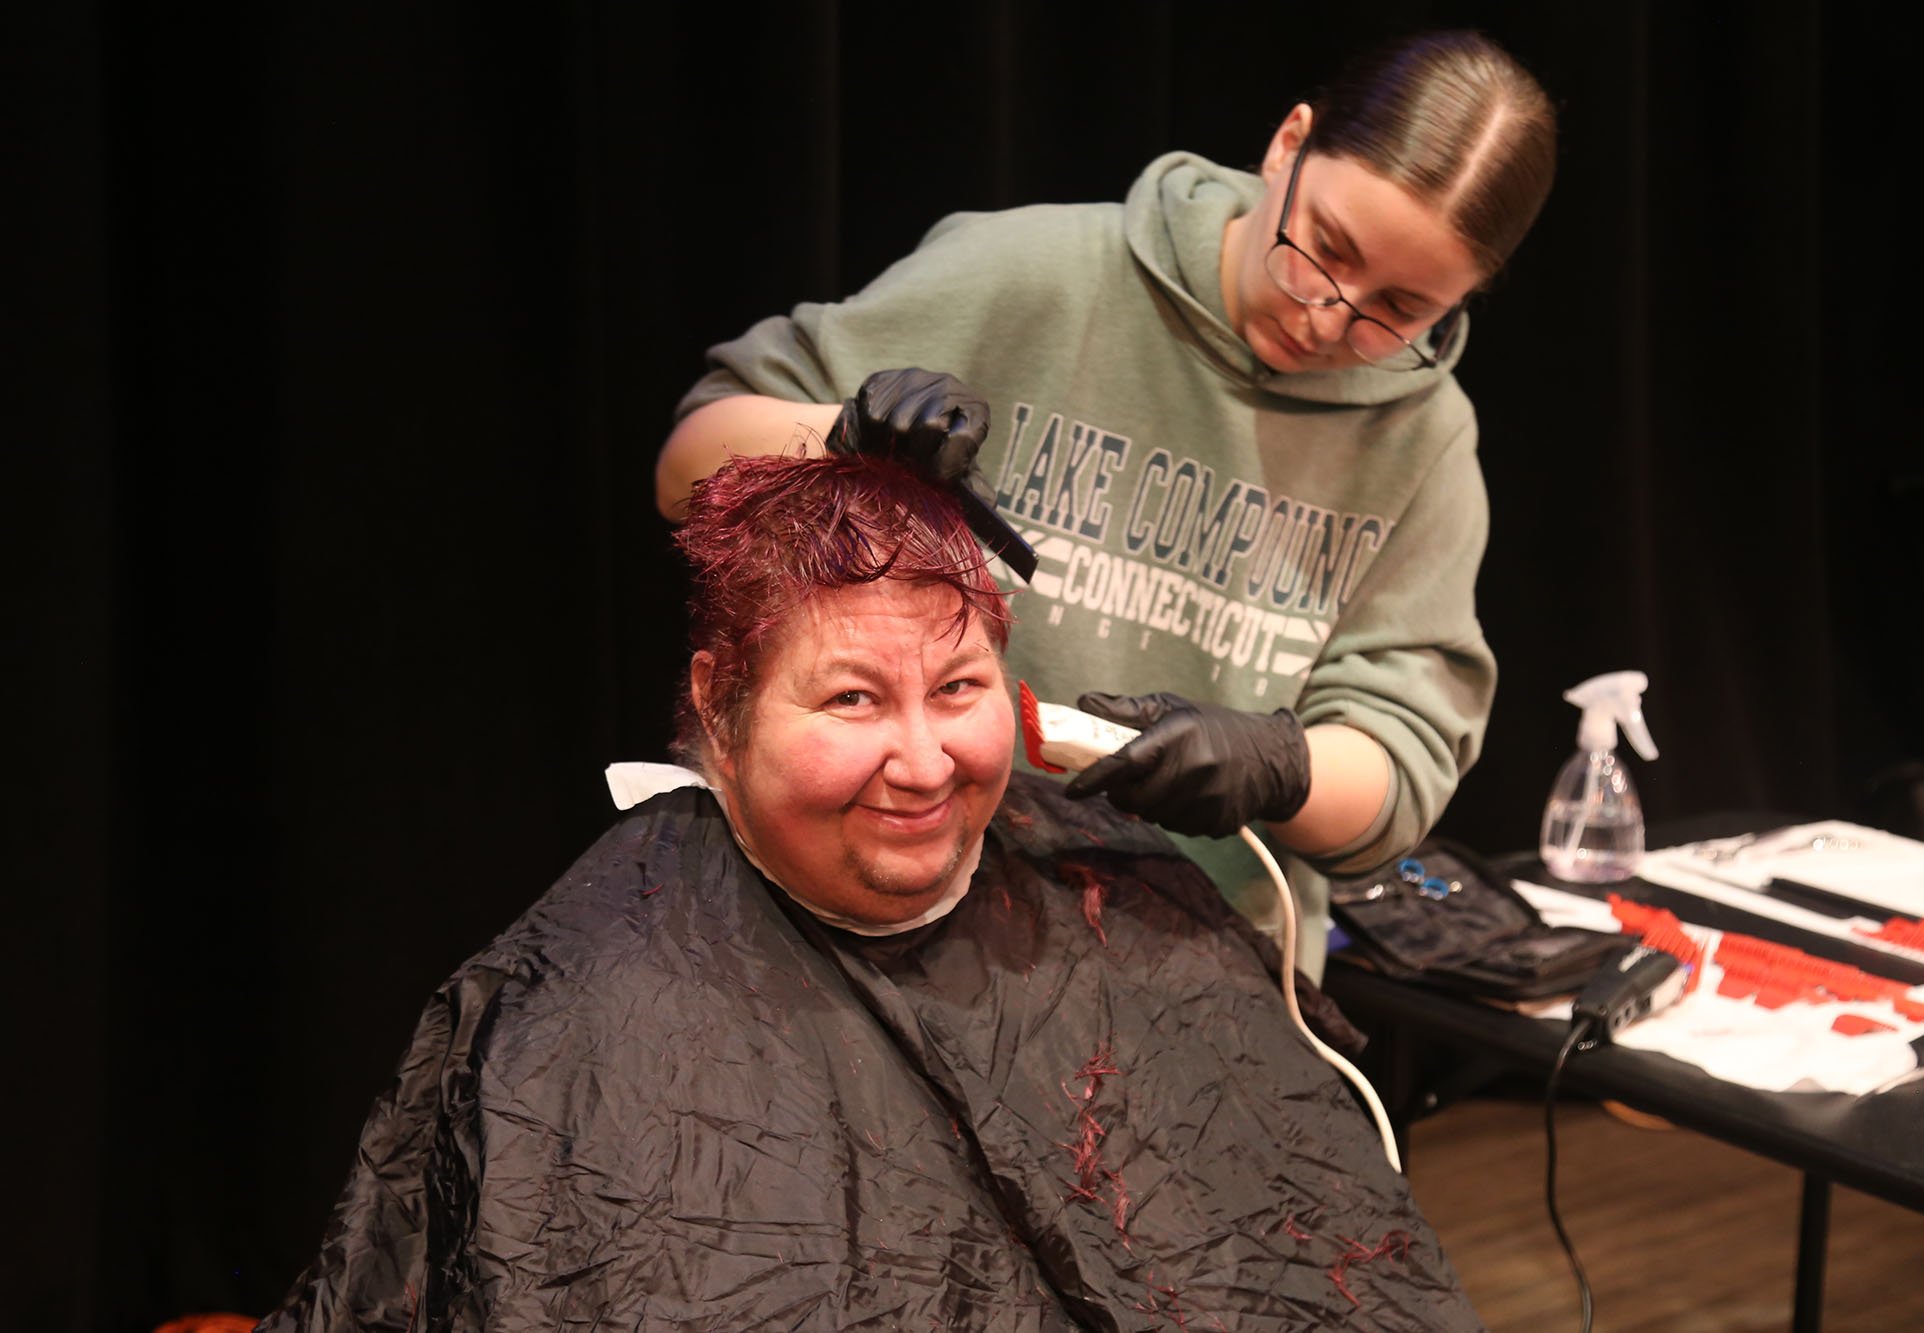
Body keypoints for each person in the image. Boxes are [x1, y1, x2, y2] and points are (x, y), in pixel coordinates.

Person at [258, 454, 1480, 1329]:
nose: (923, 761)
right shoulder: (576, 1014)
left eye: (957, 689)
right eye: (850, 699)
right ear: (720, 706)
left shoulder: (1125, 898)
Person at [655, 31, 1558, 940]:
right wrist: (841, 435)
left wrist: (1282, 766)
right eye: (1322, 247)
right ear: (1289, 142)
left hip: (1191, 957)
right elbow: (687, 464)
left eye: (1398, 311)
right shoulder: (1031, 274)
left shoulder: (1427, 443)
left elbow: (1397, 773)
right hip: (898, 913)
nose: (1326, 316)